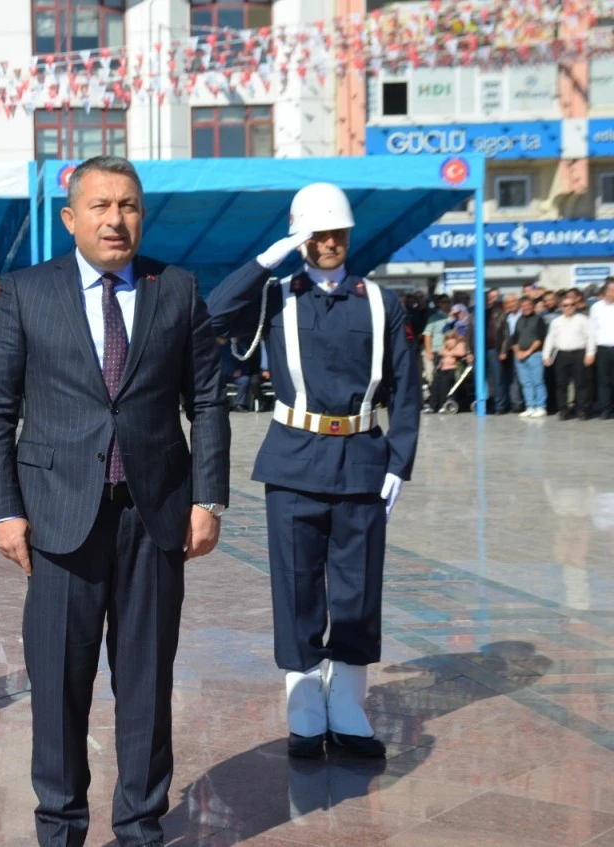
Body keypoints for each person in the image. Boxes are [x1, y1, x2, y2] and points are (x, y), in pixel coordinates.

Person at [0, 156, 230, 847]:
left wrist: (209, 496)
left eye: (128, 206)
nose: (116, 219)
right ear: (71, 218)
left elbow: (206, 400)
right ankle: (59, 827)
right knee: (59, 685)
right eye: (100, 206)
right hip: (60, 520)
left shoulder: (175, 289)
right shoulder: (27, 294)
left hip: (156, 517)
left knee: (146, 681)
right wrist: (3, 507)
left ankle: (141, 824)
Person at [209, 181, 420, 761]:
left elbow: (406, 389)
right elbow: (212, 317)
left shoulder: (380, 302)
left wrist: (400, 460)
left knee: (356, 593)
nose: (329, 242)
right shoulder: (275, 296)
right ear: (303, 236)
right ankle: (305, 711)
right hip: (295, 460)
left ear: (350, 235)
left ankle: (348, 710)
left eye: (337, 232)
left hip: (361, 462)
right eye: (317, 233)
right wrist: (268, 258)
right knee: (297, 589)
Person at [543, 291, 596, 421]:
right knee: (561, 385)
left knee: (581, 384)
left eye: (572, 304)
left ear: (575, 305)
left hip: (579, 354)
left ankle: (582, 410)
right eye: (566, 305)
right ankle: (563, 410)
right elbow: (550, 339)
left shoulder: (583, 320)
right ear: (562, 307)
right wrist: (546, 355)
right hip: (562, 355)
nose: (569, 307)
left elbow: (590, 337)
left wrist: (590, 353)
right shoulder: (556, 322)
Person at [512, 296, 548, 418]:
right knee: (526, 383)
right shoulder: (519, 320)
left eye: (528, 305)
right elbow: (515, 339)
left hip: (535, 355)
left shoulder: (539, 319)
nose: (526, 307)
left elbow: (540, 338)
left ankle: (540, 406)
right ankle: (530, 406)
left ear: (532, 306)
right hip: (520, 357)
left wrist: (528, 352)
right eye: (523, 305)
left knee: (537, 382)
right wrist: (518, 352)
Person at [592, 279, 614, 420]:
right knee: (603, 381)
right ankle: (605, 409)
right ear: (605, 292)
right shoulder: (596, 307)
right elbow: (592, 329)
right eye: (611, 290)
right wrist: (591, 351)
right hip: (602, 349)